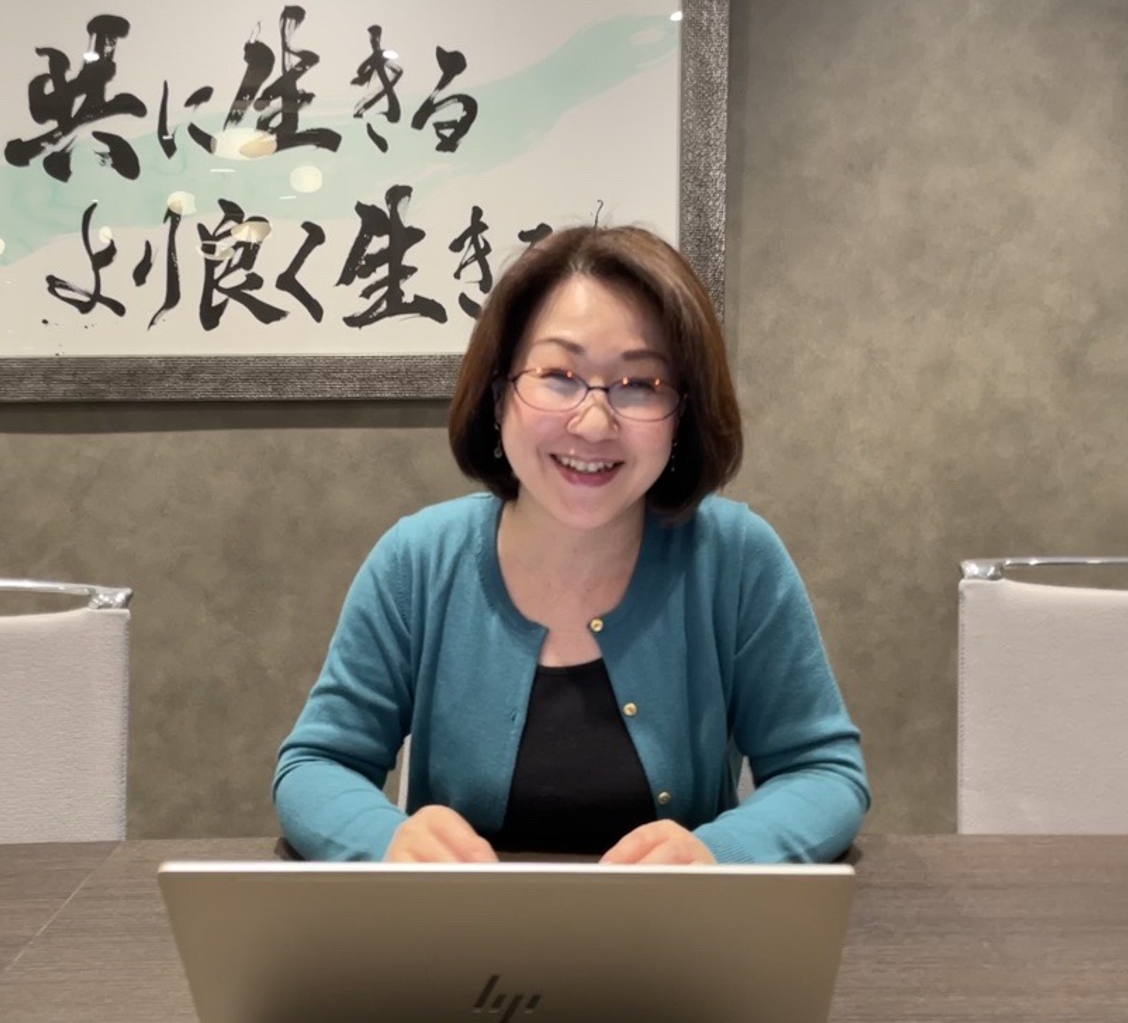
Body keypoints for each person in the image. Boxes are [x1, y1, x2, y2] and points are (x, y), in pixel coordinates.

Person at [274, 225, 869, 864]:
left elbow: (823, 772)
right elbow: (316, 765)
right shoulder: (417, 561)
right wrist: (387, 840)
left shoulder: (735, 558)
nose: (592, 421)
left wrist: (718, 854)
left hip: (674, 928)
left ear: (682, 416)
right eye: (559, 375)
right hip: (458, 928)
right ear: (500, 394)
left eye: (641, 384)